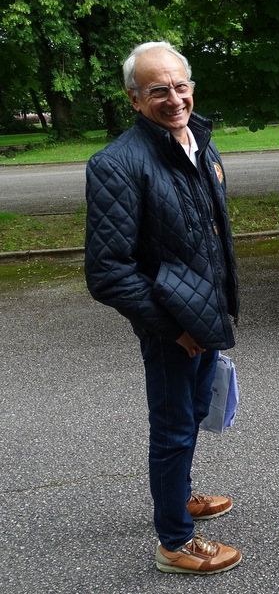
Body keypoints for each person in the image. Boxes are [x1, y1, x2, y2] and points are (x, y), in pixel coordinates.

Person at [84, 41, 242, 574]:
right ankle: (175, 542)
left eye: (180, 86)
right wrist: (174, 328)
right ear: (134, 99)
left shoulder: (199, 141)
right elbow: (108, 273)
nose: (174, 99)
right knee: (173, 429)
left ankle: (180, 496)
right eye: (158, 91)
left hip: (205, 316)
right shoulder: (116, 165)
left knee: (193, 415)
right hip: (171, 326)